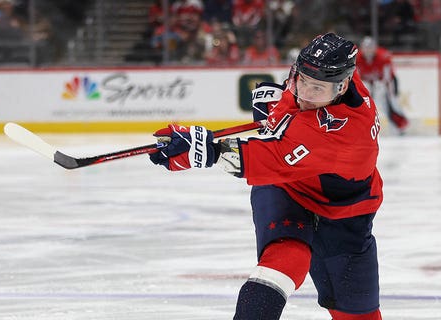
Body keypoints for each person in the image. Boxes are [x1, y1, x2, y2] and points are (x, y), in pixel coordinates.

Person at [148, 33, 383, 320]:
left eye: (317, 89)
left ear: (342, 86)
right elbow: (290, 92)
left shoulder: (345, 135)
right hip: (288, 187)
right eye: (302, 82)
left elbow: (263, 158)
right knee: (286, 258)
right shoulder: (329, 73)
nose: (305, 95)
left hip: (345, 211)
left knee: (358, 314)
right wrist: (280, 104)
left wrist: (199, 149)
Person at [356, 36, 409, 134]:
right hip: (371, 83)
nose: (368, 50)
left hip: (388, 82)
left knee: (393, 102)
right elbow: (357, 77)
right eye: (366, 47)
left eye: (370, 47)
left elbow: (388, 77)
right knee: (374, 105)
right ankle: (395, 126)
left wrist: (384, 90)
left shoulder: (383, 56)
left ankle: (402, 124)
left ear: (375, 48)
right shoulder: (357, 58)